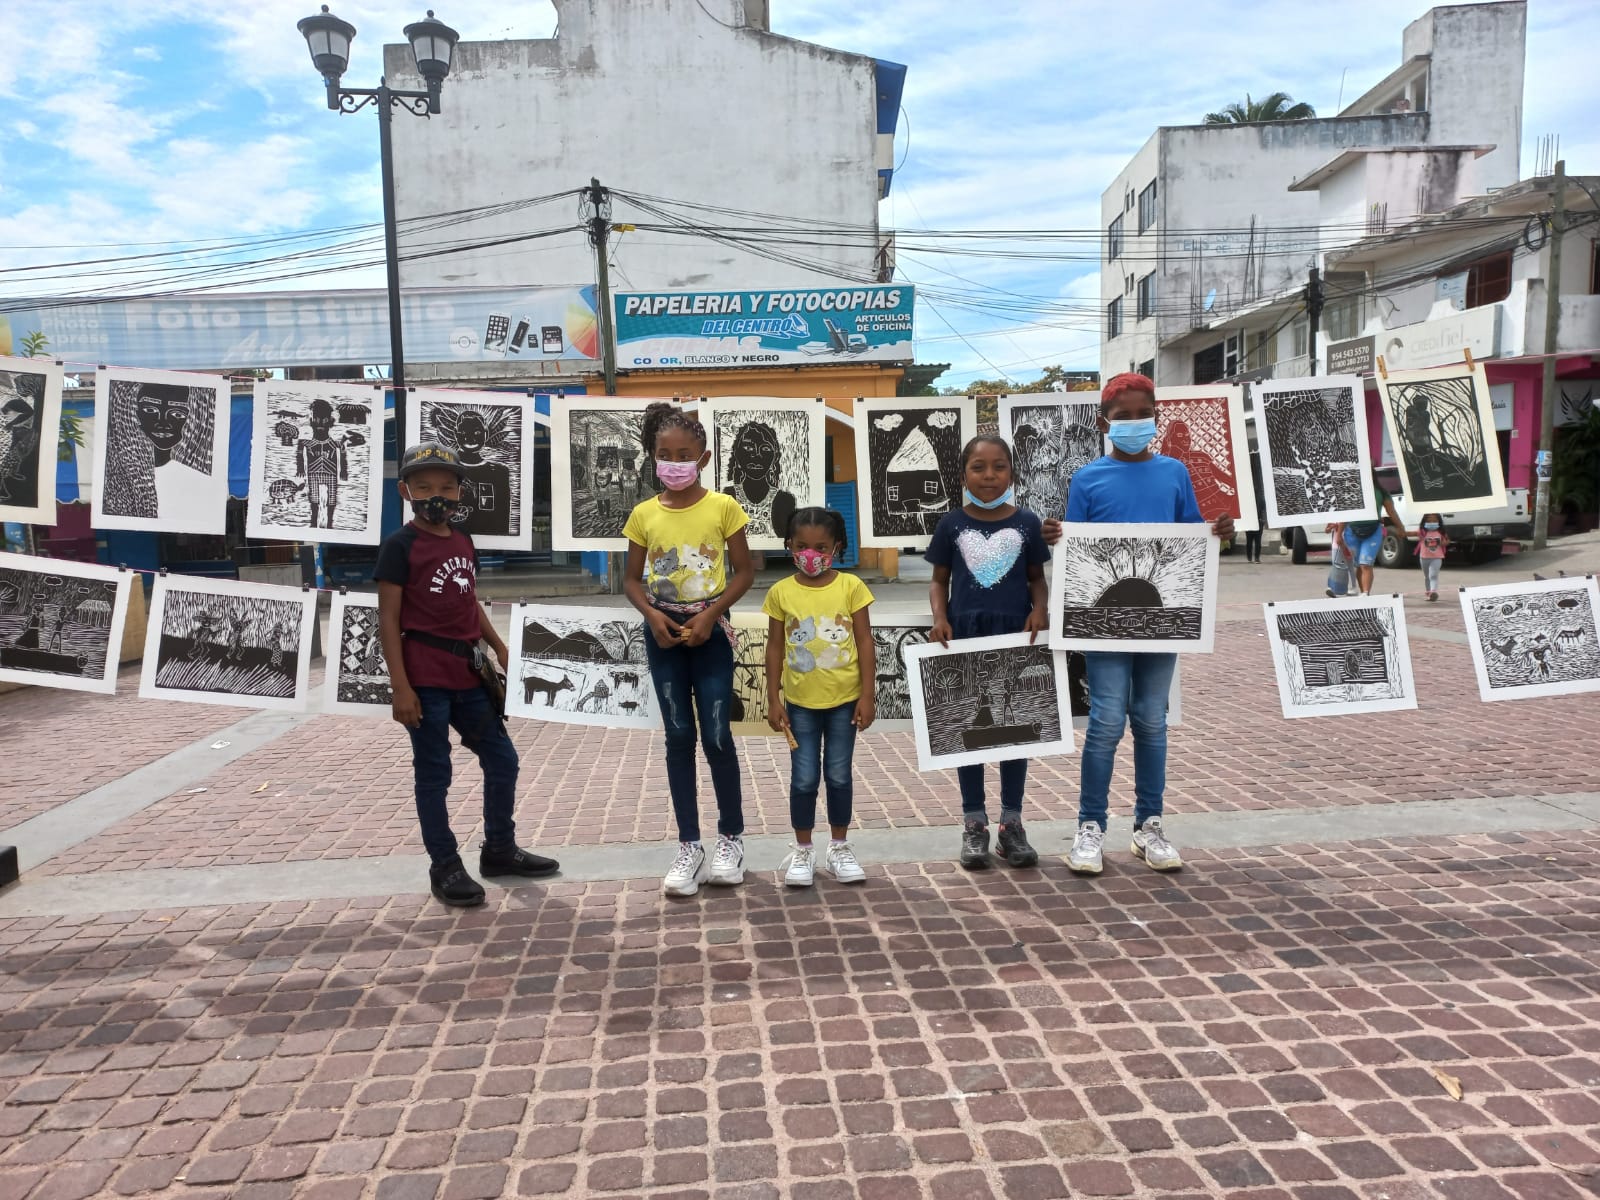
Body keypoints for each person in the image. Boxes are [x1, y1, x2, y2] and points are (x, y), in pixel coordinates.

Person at [1041, 372, 1233, 876]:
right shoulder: (1086, 478)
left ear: (1155, 417)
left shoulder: (1174, 473)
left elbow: (1192, 537)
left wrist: (1218, 533)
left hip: (1162, 620)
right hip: (1103, 622)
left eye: (1140, 413)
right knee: (1106, 721)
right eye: (1121, 415)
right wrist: (1056, 536)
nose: (1131, 422)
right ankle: (1090, 827)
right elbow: (1073, 549)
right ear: (1105, 420)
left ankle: (1149, 825)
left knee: (1151, 720)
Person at [376, 441, 558, 909]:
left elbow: (467, 600)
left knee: (503, 759)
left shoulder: (462, 540)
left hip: (469, 675)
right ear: (406, 491)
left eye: (447, 486)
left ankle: (499, 849)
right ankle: (445, 865)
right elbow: (388, 621)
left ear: (460, 492)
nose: (437, 494)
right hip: (426, 681)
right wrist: (401, 687)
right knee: (434, 774)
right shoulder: (400, 547)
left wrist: (497, 647)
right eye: (424, 487)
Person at [623, 403, 755, 897]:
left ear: (702, 457)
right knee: (678, 737)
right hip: (663, 636)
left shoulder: (724, 507)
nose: (674, 461)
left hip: (711, 632)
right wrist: (653, 617)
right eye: (664, 454)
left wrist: (708, 615)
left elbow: (744, 572)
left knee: (717, 736)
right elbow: (632, 581)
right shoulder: (643, 514)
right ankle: (689, 846)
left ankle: (731, 840)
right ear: (652, 458)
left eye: (684, 454)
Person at [926, 435, 1051, 870]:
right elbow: (939, 579)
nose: (989, 476)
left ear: (1012, 474)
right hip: (965, 635)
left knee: (1014, 728)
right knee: (970, 731)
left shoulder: (1028, 523)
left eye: (999, 467)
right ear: (963, 475)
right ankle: (974, 823)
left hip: (1015, 635)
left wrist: (1040, 609)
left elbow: (1036, 577)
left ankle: (1011, 824)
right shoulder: (951, 525)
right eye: (978, 467)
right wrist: (940, 618)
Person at [763, 507, 873, 887]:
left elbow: (864, 641)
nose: (811, 554)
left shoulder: (851, 587)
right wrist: (773, 698)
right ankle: (803, 850)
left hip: (845, 702)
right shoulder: (780, 592)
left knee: (839, 775)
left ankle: (839, 847)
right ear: (789, 546)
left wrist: (868, 695)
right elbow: (775, 646)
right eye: (802, 546)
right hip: (799, 705)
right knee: (804, 778)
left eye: (821, 547)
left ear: (836, 548)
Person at [721, 420, 797, 539]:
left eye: (765, 449)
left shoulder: (785, 500)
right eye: (748, 447)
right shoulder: (726, 496)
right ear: (737, 453)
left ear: (775, 456)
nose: (756, 455)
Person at [1342, 472, 1408, 597]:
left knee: (1365, 564)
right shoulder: (1349, 491)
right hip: (1352, 532)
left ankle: (1366, 593)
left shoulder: (1381, 492)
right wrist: (1339, 533)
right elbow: (1343, 513)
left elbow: (1391, 511)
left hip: (1373, 531)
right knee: (1359, 565)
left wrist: (1401, 527)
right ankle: (1363, 593)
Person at [1417, 512, 1448, 601]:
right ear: (1424, 521)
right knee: (1427, 577)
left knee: (1433, 576)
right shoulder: (1422, 532)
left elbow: (1447, 540)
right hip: (1424, 557)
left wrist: (1443, 543)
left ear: (1439, 521)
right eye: (1429, 521)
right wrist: (1402, 532)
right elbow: (1413, 534)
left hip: (1437, 558)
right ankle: (1428, 593)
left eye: (1434, 520)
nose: (1431, 523)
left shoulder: (1441, 532)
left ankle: (1433, 592)